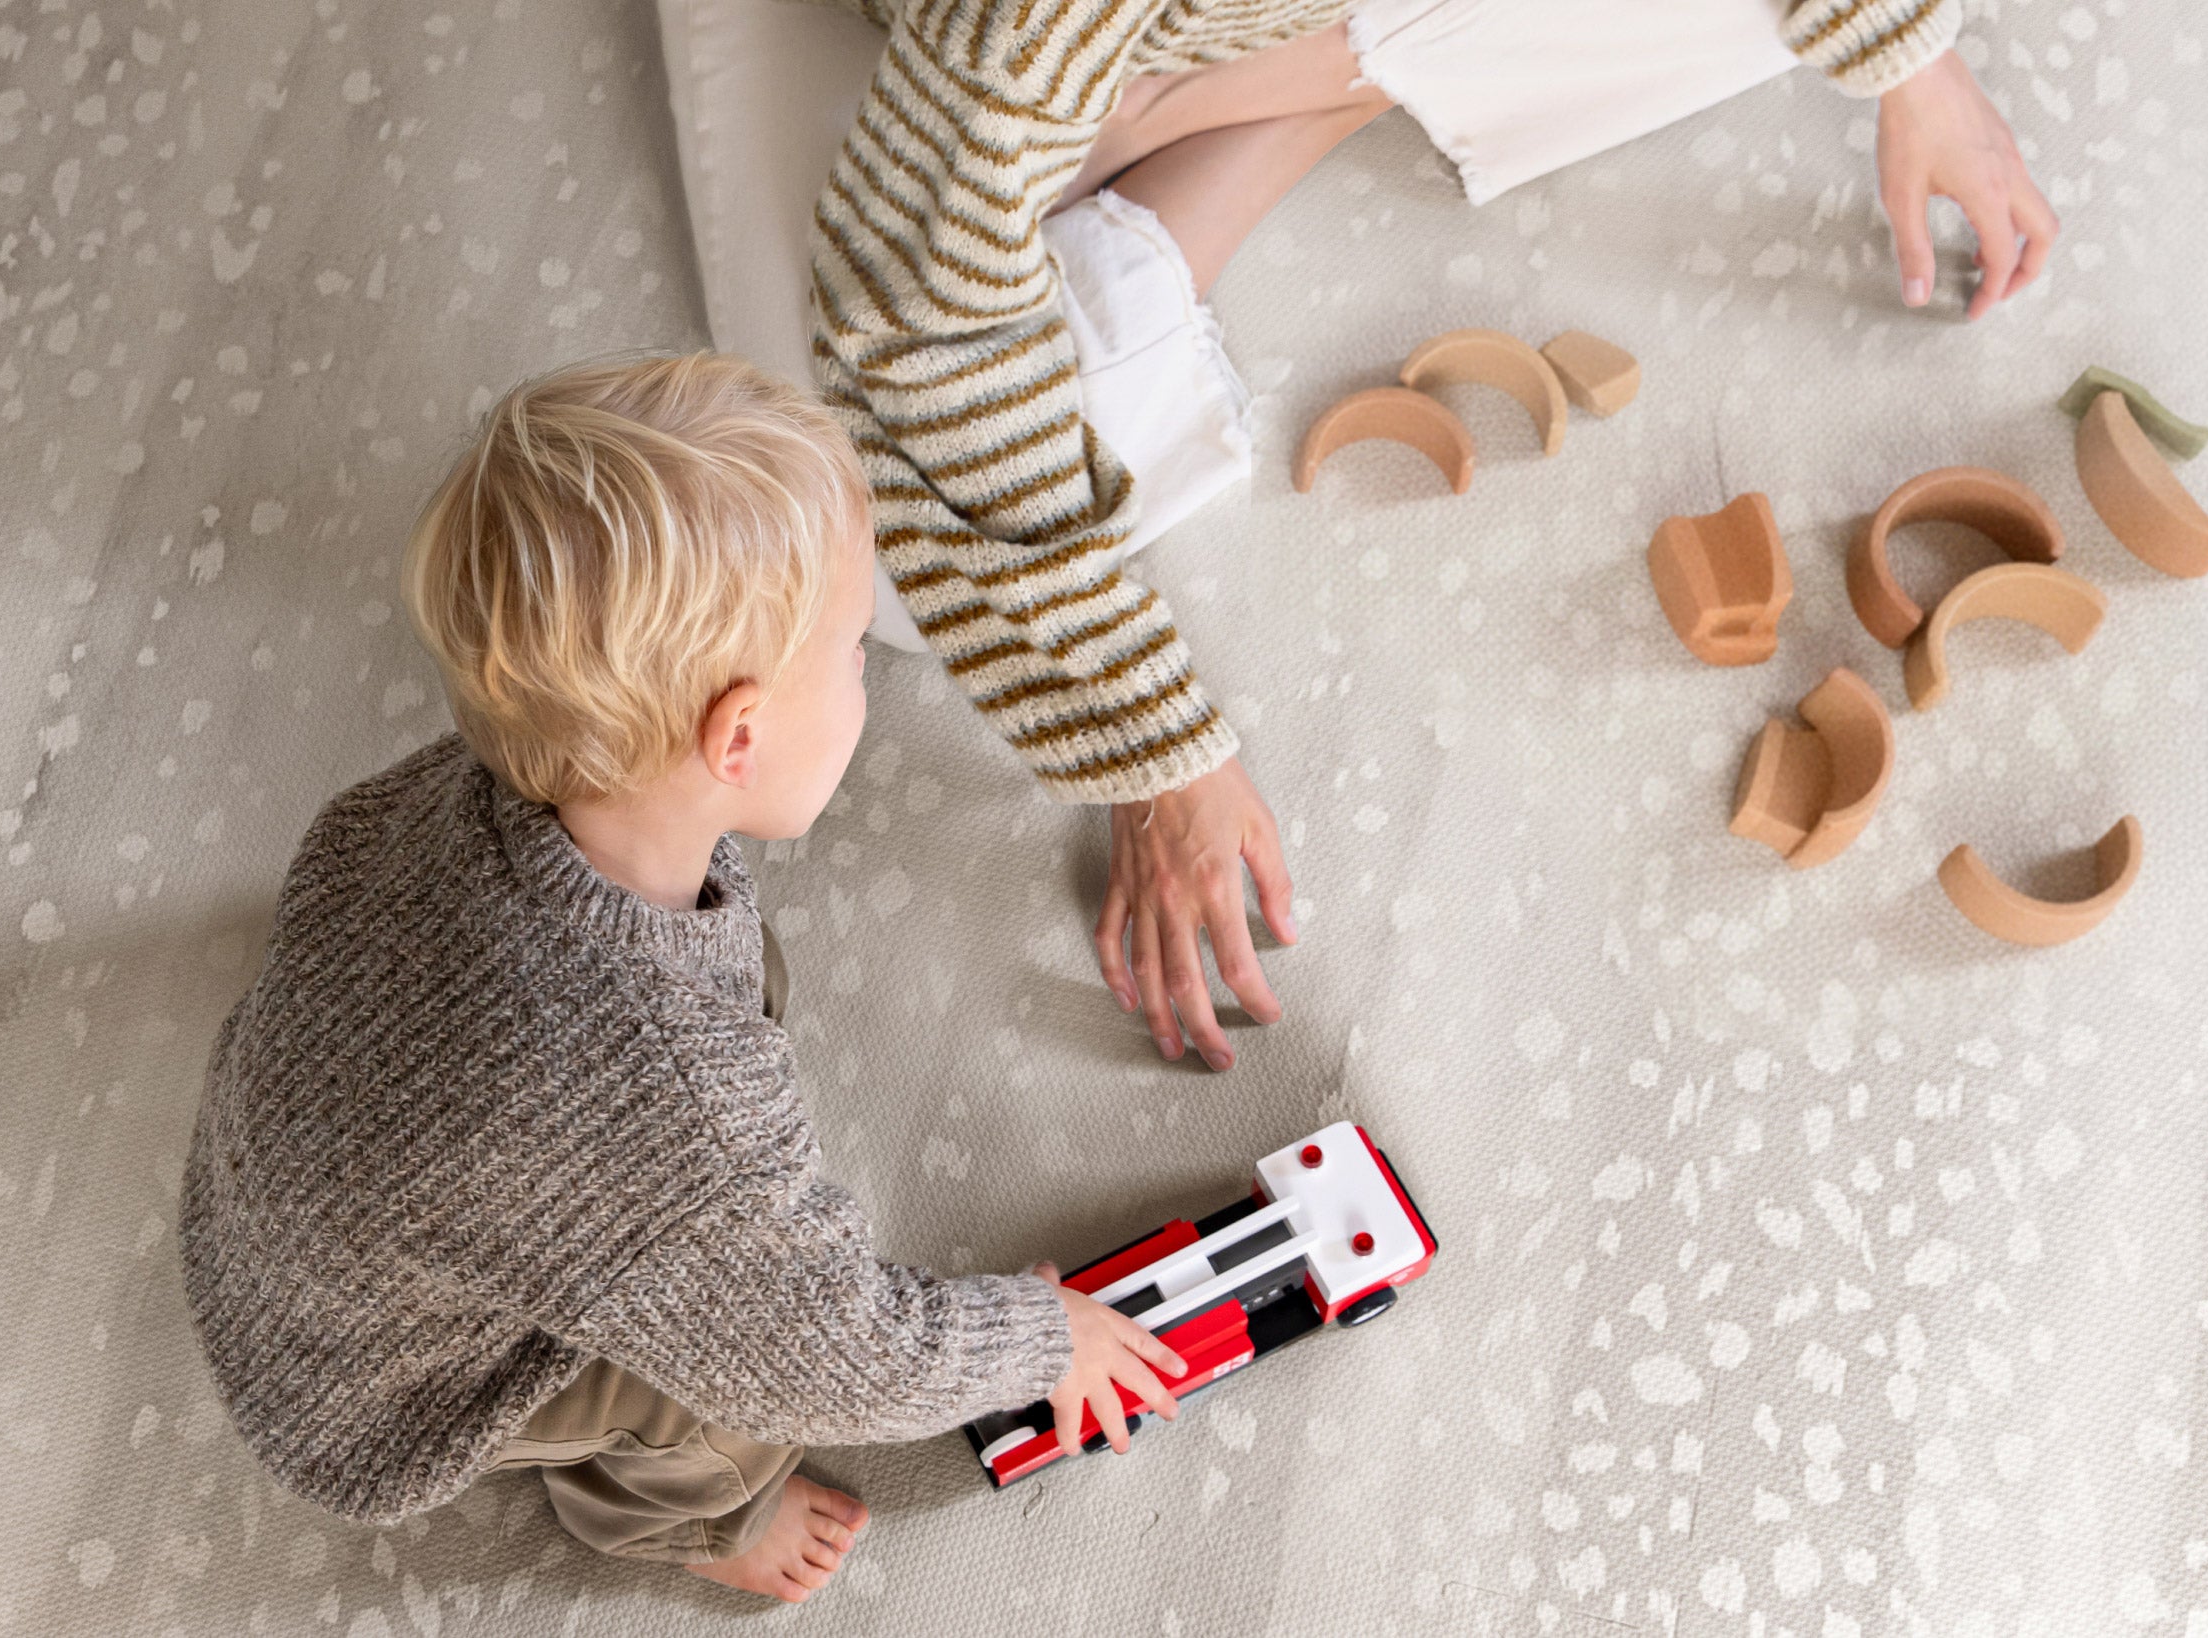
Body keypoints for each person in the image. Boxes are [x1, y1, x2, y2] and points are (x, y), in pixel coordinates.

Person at [804, 0, 2057, 1073]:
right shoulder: (1009, 39)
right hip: (1025, 73)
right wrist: (1150, 751)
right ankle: (1187, 103)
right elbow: (914, 334)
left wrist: (1915, 67)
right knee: (903, 554)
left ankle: (1252, 97)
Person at [176, 353, 1187, 1604]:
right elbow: (834, 1359)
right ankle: (687, 1519)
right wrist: (1040, 1340)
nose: (865, 669)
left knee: (707, 1068)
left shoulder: (432, 798)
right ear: (739, 735)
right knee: (715, 1396)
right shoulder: (670, 1130)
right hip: (373, 1377)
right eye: (851, 650)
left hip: (292, 1198)